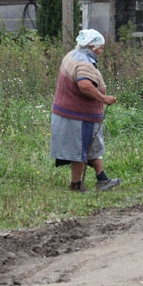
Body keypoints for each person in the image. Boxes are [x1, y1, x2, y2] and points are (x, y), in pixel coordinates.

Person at [50, 29, 121, 192]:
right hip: (77, 116)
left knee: (93, 147)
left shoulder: (73, 55)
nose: (102, 51)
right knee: (80, 150)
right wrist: (104, 99)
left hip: (73, 113)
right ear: (92, 47)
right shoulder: (84, 63)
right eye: (101, 48)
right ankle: (76, 185)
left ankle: (102, 180)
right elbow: (84, 85)